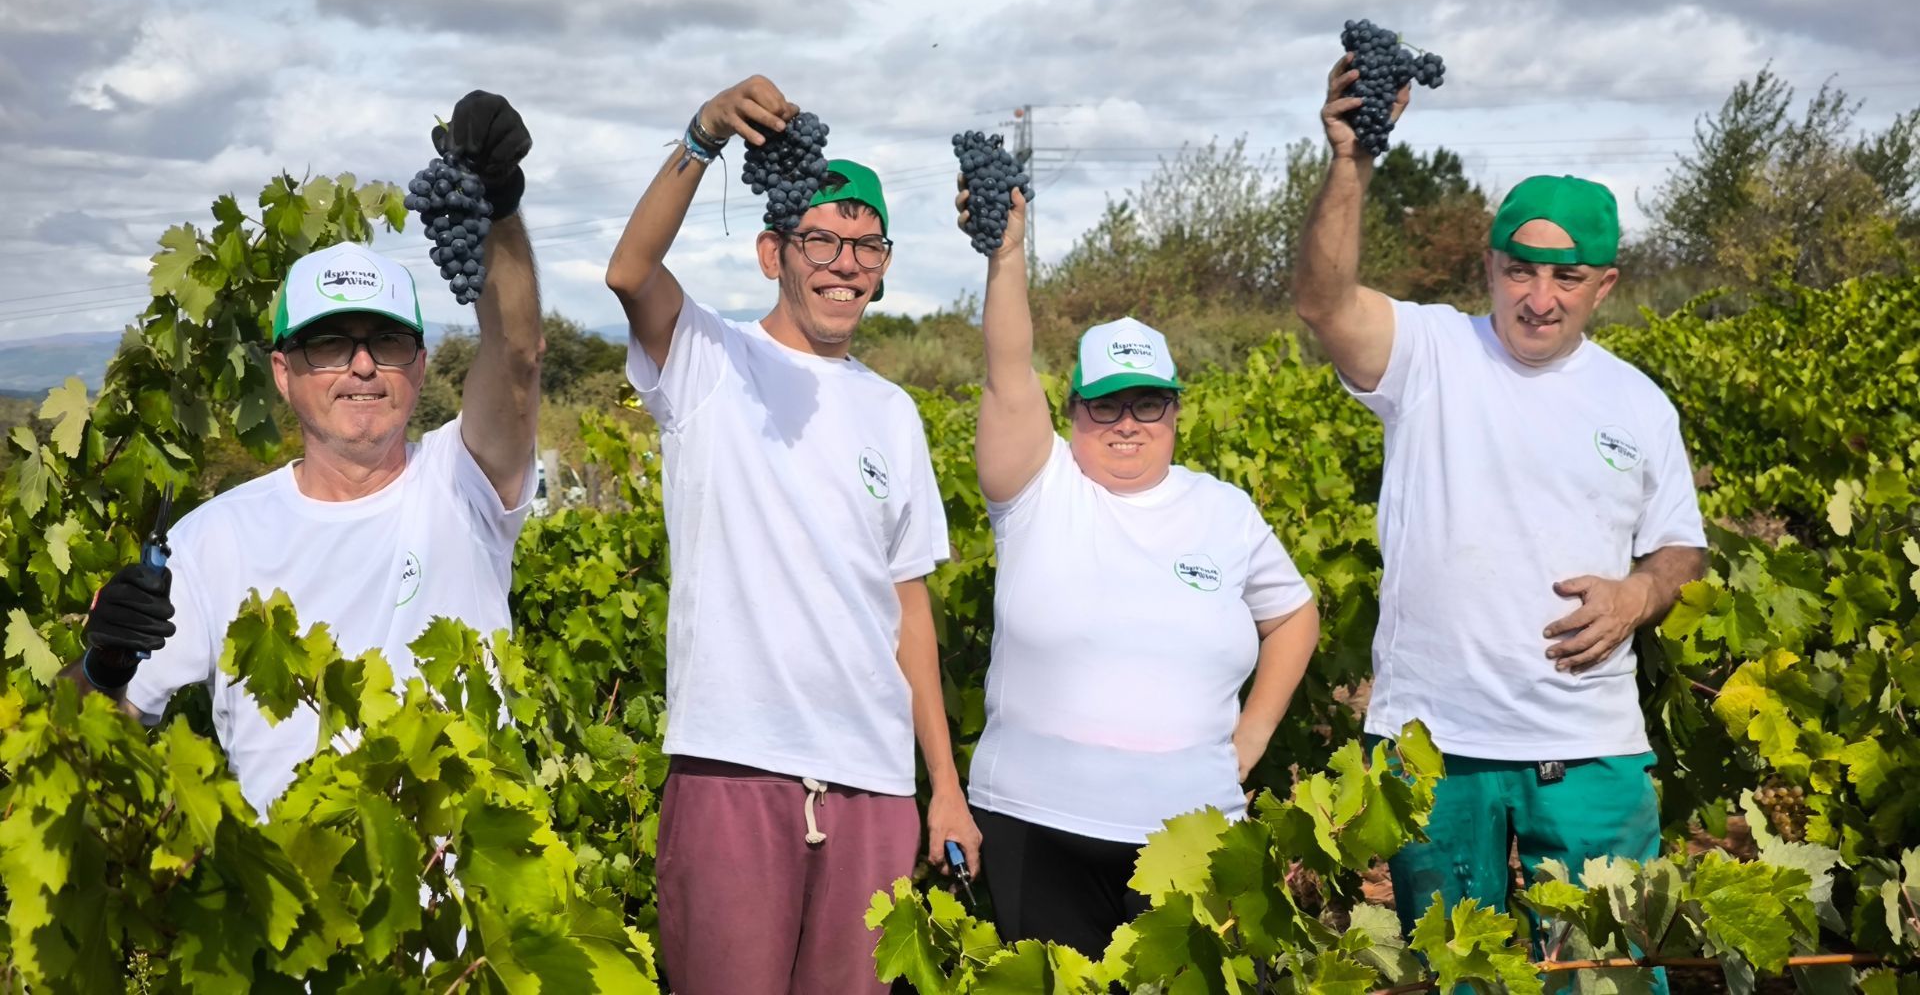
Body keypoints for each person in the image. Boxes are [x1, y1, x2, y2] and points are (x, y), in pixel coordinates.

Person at [1293, 54, 1709, 945]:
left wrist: (1640, 594)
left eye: (1567, 278)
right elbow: (1326, 304)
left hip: (1590, 744)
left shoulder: (1639, 402)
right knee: (1459, 971)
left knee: (1612, 968)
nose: (1540, 298)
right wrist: (1350, 164)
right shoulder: (1432, 353)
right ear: (1490, 265)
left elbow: (1680, 546)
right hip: (1431, 750)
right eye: (1520, 270)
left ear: (1606, 284)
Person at [66, 92, 544, 816]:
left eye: (384, 342)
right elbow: (89, 742)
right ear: (283, 375)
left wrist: (500, 208)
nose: (360, 366)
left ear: (417, 369)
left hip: (479, 924)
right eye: (330, 344)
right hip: (298, 919)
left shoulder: (463, 482)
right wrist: (102, 669)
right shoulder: (215, 540)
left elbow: (516, 354)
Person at [603, 74, 977, 995]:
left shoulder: (895, 416)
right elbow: (629, 273)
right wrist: (701, 137)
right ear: (775, 250)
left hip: (874, 786)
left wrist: (944, 787)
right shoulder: (709, 362)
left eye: (865, 245)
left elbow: (909, 613)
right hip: (735, 765)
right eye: (822, 240)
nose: (845, 262)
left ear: (884, 267)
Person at [957, 183, 1322, 955]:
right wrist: (1007, 255)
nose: (1127, 424)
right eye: (1106, 405)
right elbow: (1006, 367)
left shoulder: (1223, 511)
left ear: (1176, 410)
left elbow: (1294, 614)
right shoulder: (1037, 485)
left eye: (1148, 404)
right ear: (1074, 410)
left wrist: (1252, 736)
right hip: (1037, 824)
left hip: (1193, 834)